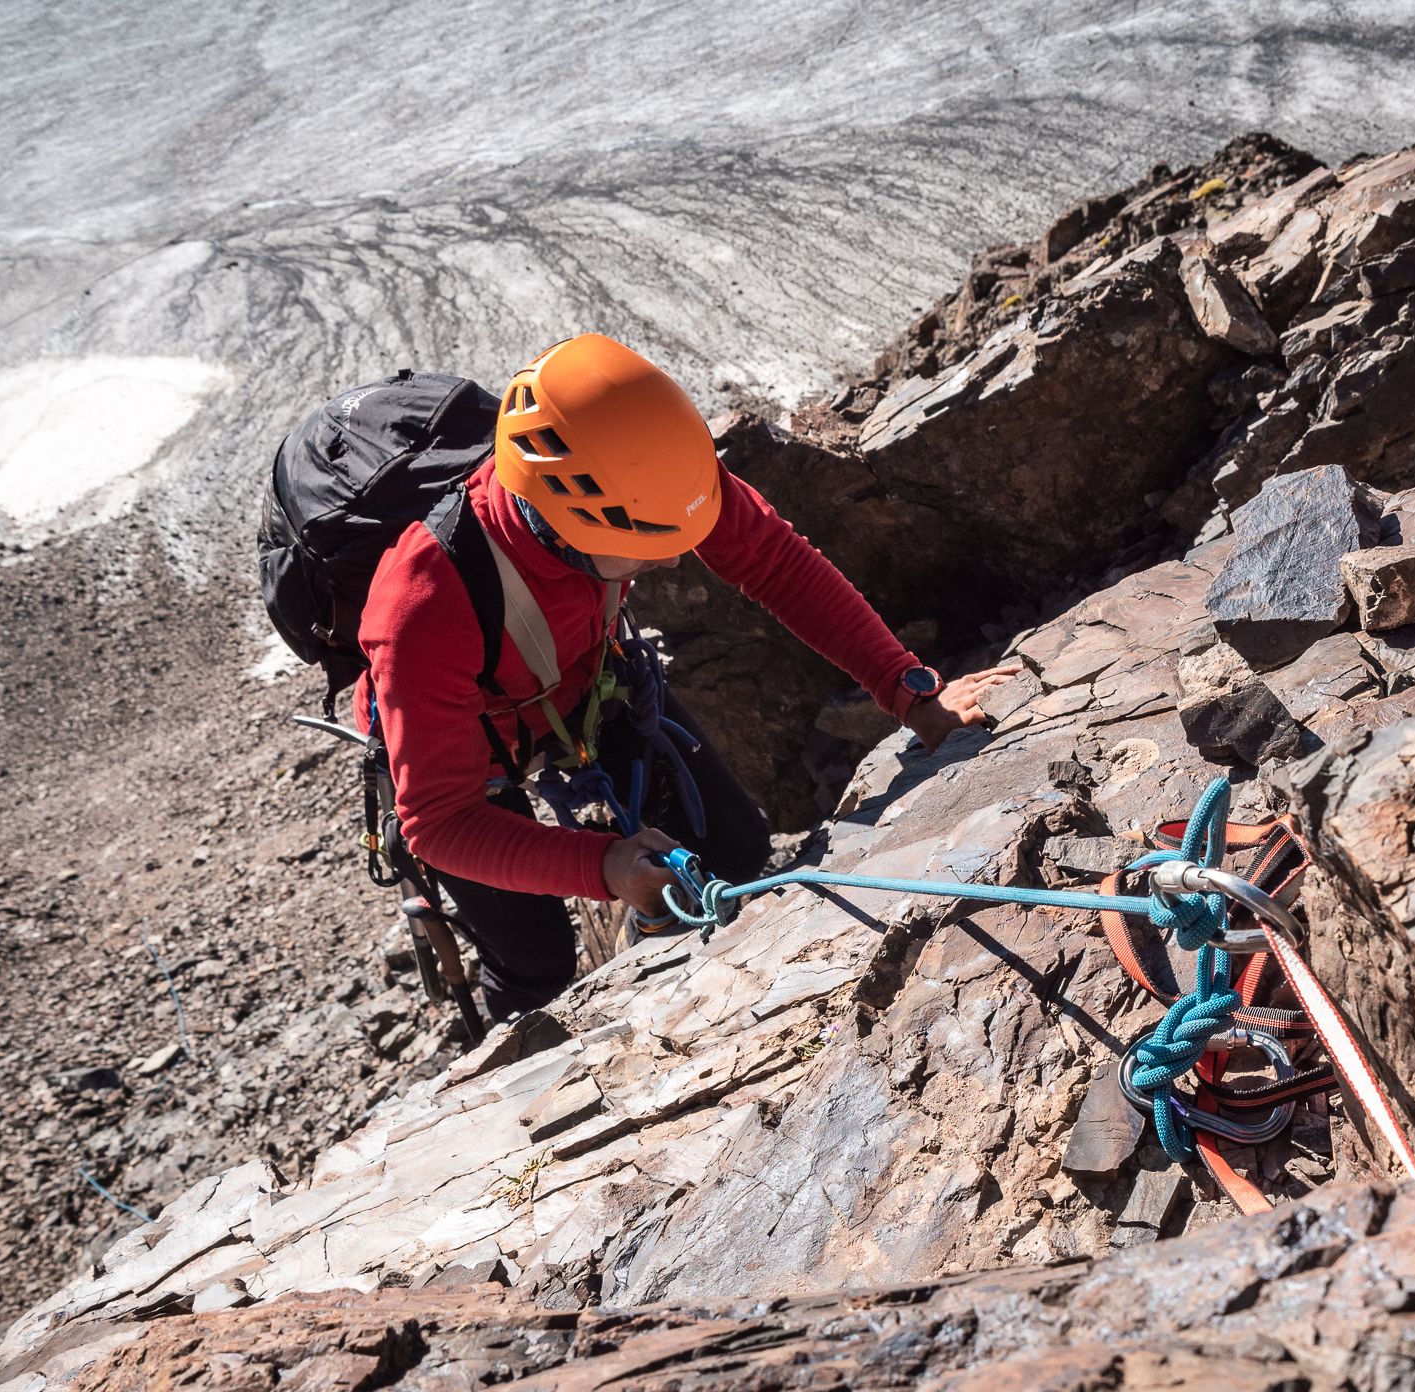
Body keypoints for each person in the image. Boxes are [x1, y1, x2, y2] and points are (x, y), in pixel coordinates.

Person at [357, 332, 1014, 1022]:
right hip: (461, 749)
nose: (669, 564)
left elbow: (776, 563)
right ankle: (513, 1053)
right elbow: (440, 819)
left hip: (587, 682)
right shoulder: (422, 604)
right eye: (644, 548)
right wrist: (601, 865)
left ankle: (667, 964)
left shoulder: (643, 473)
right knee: (536, 961)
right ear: (566, 526)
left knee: (733, 850)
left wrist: (909, 692)